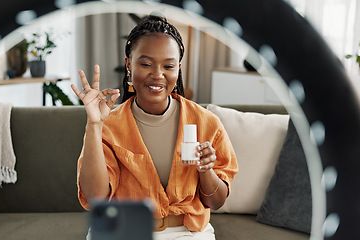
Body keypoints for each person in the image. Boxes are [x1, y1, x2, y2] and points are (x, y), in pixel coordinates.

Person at [71, 15, 238, 240]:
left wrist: (205, 170)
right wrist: (94, 125)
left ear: (178, 68)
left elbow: (216, 202)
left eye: (168, 66)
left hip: (186, 233)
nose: (157, 74)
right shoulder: (108, 125)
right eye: (146, 64)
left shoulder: (207, 123)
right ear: (129, 64)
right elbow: (94, 199)